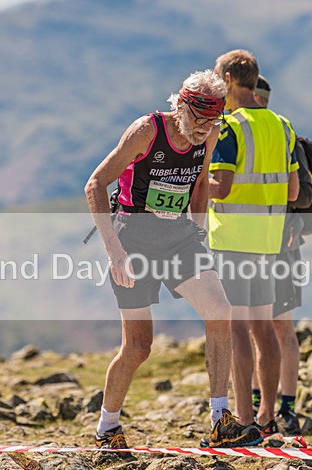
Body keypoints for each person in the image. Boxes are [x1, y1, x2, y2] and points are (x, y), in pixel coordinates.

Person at [84, 69, 262, 449]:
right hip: (133, 239)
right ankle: (107, 428)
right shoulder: (147, 130)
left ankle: (219, 419)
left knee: (220, 311)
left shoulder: (211, 132)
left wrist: (198, 232)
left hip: (179, 238)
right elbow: (95, 185)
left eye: (212, 122)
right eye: (199, 120)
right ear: (180, 106)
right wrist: (115, 252)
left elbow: (199, 183)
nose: (204, 130)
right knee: (138, 347)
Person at [208, 50, 300, 437]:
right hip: (269, 239)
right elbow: (293, 190)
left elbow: (223, 187)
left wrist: (199, 182)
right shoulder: (282, 126)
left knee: (237, 330)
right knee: (264, 328)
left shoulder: (229, 127)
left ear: (228, 80)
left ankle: (243, 419)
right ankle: (267, 416)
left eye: (216, 79)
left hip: (232, 239)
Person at [249, 74, 312, 436]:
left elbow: (298, 195)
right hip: (278, 245)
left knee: (267, 327)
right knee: (271, 327)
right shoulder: (279, 132)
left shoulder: (270, 134)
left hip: (274, 245)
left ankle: (275, 407)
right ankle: (274, 407)